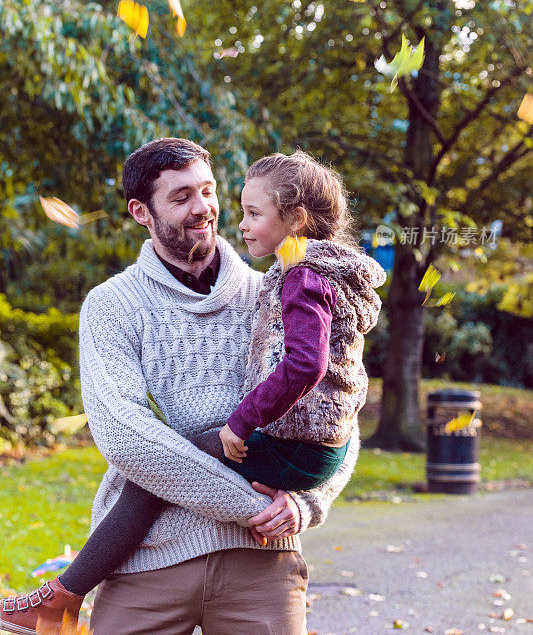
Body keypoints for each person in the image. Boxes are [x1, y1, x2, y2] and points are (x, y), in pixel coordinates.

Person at [0, 139, 385, 635]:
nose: (204, 208)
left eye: (208, 191)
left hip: (262, 564)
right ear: (142, 211)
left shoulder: (278, 290)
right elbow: (126, 437)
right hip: (149, 561)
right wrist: (254, 507)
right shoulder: (113, 306)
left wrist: (307, 503)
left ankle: (58, 595)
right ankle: (60, 599)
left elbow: (341, 403)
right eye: (181, 197)